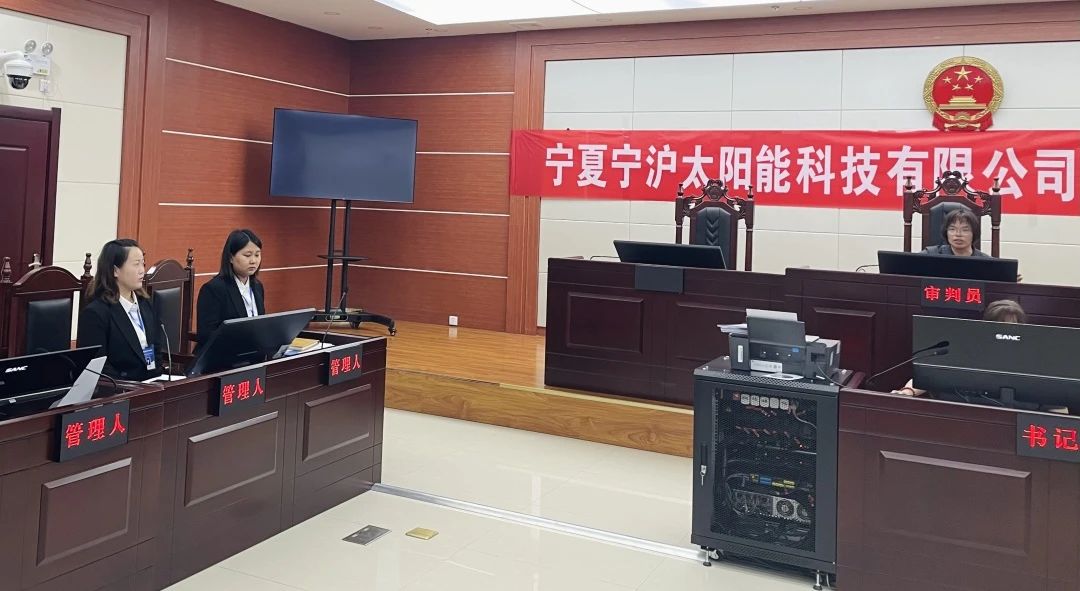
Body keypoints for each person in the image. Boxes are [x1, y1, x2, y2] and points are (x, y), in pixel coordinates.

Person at [893, 299, 1026, 396]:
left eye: (1012, 326)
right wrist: (907, 391)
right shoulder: (968, 349)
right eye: (1000, 324)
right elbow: (932, 377)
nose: (1005, 332)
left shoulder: (1027, 355)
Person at [76, 239, 166, 381]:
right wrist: (134, 387)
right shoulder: (96, 313)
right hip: (120, 388)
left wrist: (157, 379)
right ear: (115, 270)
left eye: (143, 263)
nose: (142, 270)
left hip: (150, 384)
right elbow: (98, 367)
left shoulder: (145, 304)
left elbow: (155, 349)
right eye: (136, 264)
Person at [196, 229, 265, 345]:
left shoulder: (258, 287)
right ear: (231, 257)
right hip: (224, 354)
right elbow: (206, 336)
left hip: (253, 352)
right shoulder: (213, 289)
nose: (253, 261)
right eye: (247, 255)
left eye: (257, 255)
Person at [921, 208, 989, 257]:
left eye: (965, 230)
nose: (958, 234)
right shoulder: (929, 255)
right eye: (952, 229)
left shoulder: (986, 261)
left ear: (974, 233)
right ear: (946, 232)